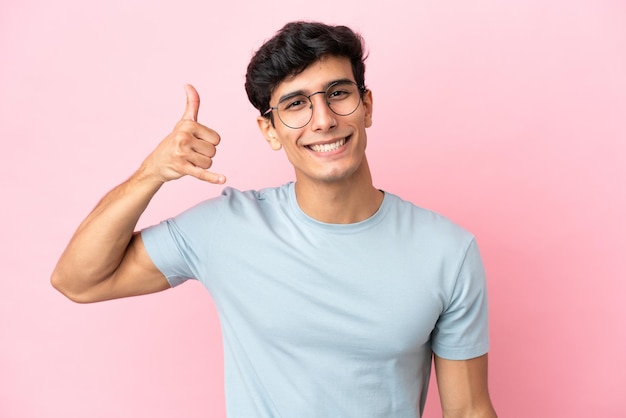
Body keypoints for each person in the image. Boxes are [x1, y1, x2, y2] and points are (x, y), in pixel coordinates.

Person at [52, 21, 497, 418]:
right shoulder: (225, 229)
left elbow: (468, 410)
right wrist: (153, 172)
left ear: (367, 107)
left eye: (338, 94)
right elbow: (78, 280)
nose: (322, 120)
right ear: (270, 130)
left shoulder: (448, 250)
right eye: (296, 104)